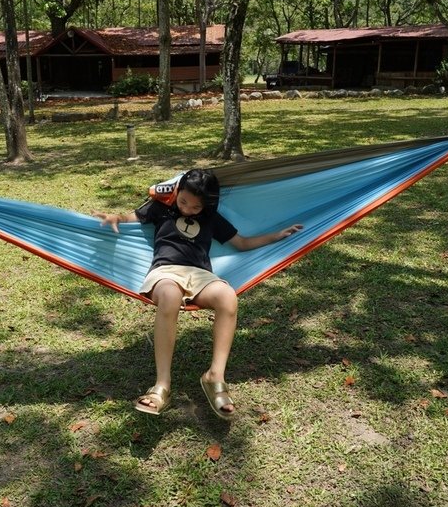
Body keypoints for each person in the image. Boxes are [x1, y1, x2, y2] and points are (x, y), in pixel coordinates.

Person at [96, 169, 302, 421]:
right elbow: (131, 216)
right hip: (166, 272)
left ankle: (215, 376)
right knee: (170, 297)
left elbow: (242, 243)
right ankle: (162, 385)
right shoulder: (160, 208)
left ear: (207, 204)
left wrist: (277, 236)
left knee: (228, 297)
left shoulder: (212, 217)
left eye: (195, 207)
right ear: (177, 192)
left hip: (200, 275)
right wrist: (114, 216)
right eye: (183, 201)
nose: (187, 209)